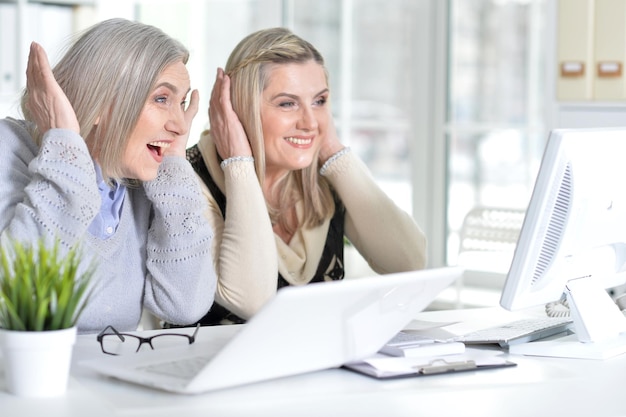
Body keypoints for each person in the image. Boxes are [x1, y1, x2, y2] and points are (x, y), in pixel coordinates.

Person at [186, 27, 427, 326]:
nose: (310, 121)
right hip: (211, 370)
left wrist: (331, 147)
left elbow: (409, 262)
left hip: (319, 371)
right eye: (288, 103)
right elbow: (252, 301)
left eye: (319, 101)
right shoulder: (187, 180)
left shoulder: (323, 178)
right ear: (237, 108)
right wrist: (239, 163)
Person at [0, 18, 216, 334]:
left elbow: (185, 306)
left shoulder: (142, 182)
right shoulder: (8, 148)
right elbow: (13, 296)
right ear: (101, 101)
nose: (181, 125)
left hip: (112, 378)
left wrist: (173, 167)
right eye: (161, 99)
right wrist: (65, 146)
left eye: (181, 103)